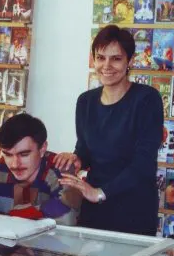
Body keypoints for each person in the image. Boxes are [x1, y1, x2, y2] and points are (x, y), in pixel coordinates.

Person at [55, 25, 164, 236]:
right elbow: (84, 149)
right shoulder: (85, 101)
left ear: (130, 61)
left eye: (116, 59)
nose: (107, 66)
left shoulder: (147, 99)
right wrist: (76, 159)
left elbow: (144, 163)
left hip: (133, 210)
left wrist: (101, 193)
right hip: (93, 207)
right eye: (100, 58)